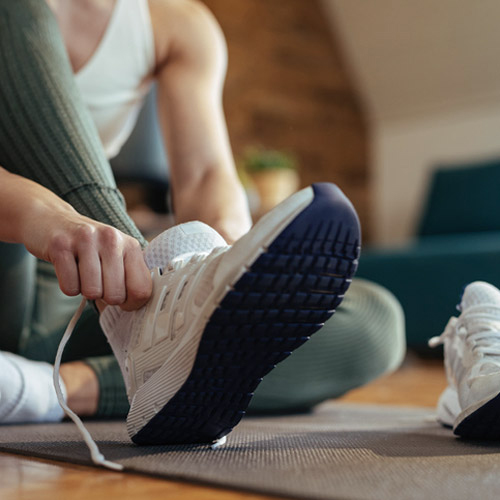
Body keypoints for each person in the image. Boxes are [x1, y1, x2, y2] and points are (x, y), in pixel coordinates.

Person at [0, 0, 405, 439]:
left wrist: (229, 271)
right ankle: (137, 327)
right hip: (17, 270)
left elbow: (206, 178)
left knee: (374, 319)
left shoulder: (177, 26)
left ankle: (52, 387)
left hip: (88, 299)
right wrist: (45, 215)